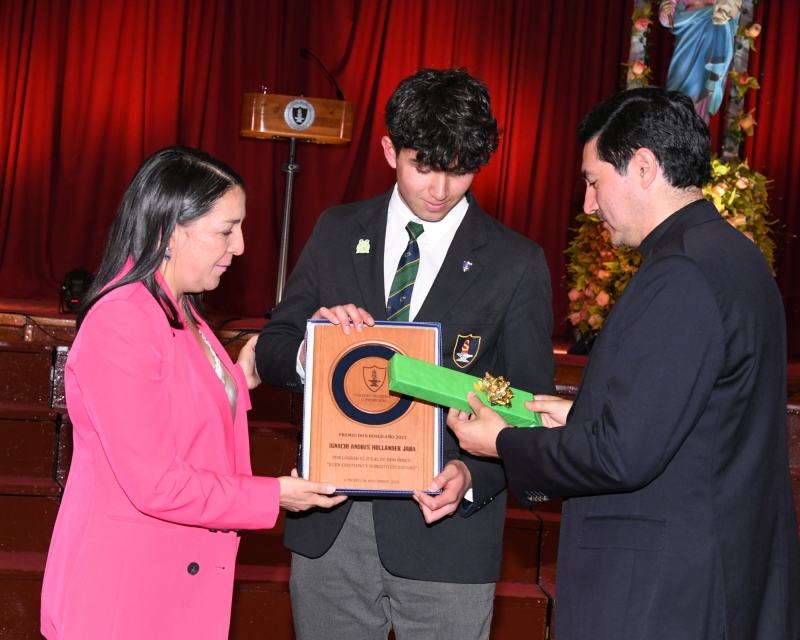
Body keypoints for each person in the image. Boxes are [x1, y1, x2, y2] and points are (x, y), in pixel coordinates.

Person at [448, 87, 800, 640]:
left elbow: (622, 456)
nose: (588, 205)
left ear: (642, 166)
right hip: (717, 571)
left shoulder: (680, 272)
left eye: (593, 181)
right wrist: (584, 417)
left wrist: (501, 443)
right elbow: (694, 420)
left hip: (664, 594)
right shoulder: (732, 254)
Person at [255, 68, 555, 640]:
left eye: (460, 170)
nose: (440, 189)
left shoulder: (516, 262)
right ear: (391, 148)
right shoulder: (338, 229)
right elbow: (272, 349)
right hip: (331, 530)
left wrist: (471, 473)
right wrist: (312, 349)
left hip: (447, 535)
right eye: (424, 166)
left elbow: (526, 404)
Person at [40, 146, 345, 640]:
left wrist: (301, 352)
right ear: (169, 232)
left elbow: (195, 396)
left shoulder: (180, 308)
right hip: (126, 595)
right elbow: (157, 483)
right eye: (226, 230)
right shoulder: (122, 320)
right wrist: (275, 495)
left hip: (172, 581)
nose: (241, 246)